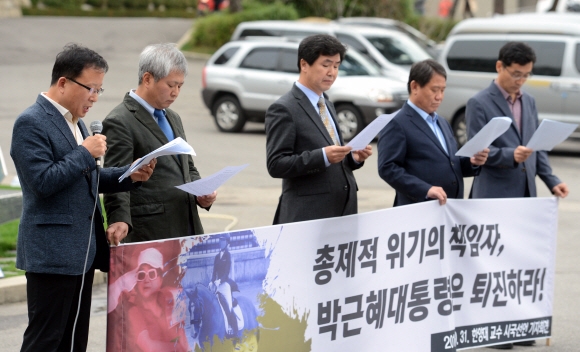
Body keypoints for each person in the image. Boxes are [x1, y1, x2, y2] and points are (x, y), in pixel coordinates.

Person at [10, 43, 156, 352]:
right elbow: (42, 182)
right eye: (90, 88)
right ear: (63, 82)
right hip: (53, 256)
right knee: (46, 341)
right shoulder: (31, 122)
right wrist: (84, 153)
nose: (93, 97)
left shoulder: (73, 123)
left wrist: (128, 175)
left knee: (74, 340)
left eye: (99, 90)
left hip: (82, 253)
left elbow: (83, 179)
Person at [465, 41, 568, 350]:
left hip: (525, 194)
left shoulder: (530, 102)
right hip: (493, 194)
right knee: (494, 265)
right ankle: (495, 330)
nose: (520, 80)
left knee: (519, 264)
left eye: (526, 75)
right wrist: (510, 154)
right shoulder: (479, 102)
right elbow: (476, 150)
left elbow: (538, 148)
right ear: (500, 67)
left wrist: (552, 181)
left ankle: (519, 327)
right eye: (516, 74)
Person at [102, 43, 216, 243]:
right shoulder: (120, 120)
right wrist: (118, 220)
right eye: (171, 85)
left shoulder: (173, 117)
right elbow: (116, 178)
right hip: (149, 233)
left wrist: (201, 192)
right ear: (147, 79)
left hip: (186, 226)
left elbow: (186, 166)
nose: (175, 93)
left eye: (180, 86)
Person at [265, 34, 372, 224]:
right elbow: (276, 164)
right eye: (326, 65)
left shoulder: (327, 103)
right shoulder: (284, 108)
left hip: (343, 210)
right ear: (304, 64)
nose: (332, 72)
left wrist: (353, 158)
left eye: (337, 66)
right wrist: (322, 156)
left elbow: (334, 157)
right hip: (308, 215)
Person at [377, 59, 489, 207]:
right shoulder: (397, 123)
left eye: (442, 90)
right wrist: (425, 189)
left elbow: (450, 163)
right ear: (415, 86)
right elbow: (388, 168)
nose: (439, 97)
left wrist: (471, 161)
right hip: (419, 211)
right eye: (434, 90)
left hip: (450, 209)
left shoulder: (442, 122)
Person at [108, 247, 189, 352]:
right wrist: (177, 346)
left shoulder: (170, 305)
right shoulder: (133, 310)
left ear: (160, 279)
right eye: (141, 275)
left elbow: (181, 337)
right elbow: (149, 347)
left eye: (151, 273)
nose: (146, 280)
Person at [210, 235, 239, 336]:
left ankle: (233, 330)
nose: (220, 242)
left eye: (222, 241)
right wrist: (212, 281)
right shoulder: (217, 256)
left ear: (226, 242)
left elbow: (227, 272)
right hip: (217, 286)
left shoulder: (228, 255)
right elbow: (214, 272)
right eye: (219, 240)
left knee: (228, 308)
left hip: (225, 285)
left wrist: (220, 280)